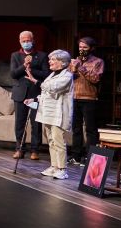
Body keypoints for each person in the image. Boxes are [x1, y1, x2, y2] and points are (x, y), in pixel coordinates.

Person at [34, 50, 75, 180]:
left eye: (53, 59)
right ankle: (54, 166)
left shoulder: (67, 76)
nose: (49, 61)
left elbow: (53, 88)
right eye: (50, 59)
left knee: (58, 141)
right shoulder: (51, 75)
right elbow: (47, 91)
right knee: (50, 140)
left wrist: (41, 84)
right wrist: (36, 99)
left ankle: (62, 169)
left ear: (62, 63)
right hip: (47, 113)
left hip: (59, 113)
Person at [10, 31, 49, 160]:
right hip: (20, 93)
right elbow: (13, 74)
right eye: (23, 41)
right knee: (19, 123)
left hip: (35, 94)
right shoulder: (15, 55)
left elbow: (46, 74)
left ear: (33, 40)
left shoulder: (42, 56)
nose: (26, 43)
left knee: (35, 123)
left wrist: (32, 70)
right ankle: (19, 149)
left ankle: (35, 150)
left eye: (28, 40)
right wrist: (24, 66)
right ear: (20, 41)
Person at [68, 37, 104, 165]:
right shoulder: (75, 61)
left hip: (89, 98)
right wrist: (71, 70)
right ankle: (76, 156)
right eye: (80, 47)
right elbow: (68, 79)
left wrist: (81, 68)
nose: (82, 50)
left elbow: (95, 79)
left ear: (91, 48)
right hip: (75, 97)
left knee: (90, 129)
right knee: (76, 129)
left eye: (85, 47)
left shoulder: (98, 62)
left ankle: (90, 157)